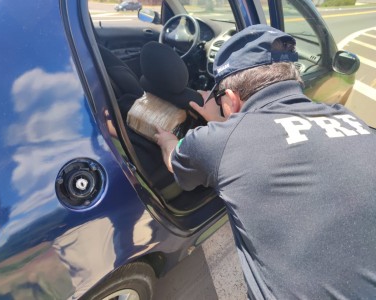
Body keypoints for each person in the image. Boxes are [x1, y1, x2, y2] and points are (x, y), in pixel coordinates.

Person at [155, 24, 376, 299]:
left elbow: (175, 162)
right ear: (294, 80)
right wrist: (225, 121)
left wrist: (165, 139)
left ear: (232, 98)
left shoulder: (215, 141)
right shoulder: (348, 118)